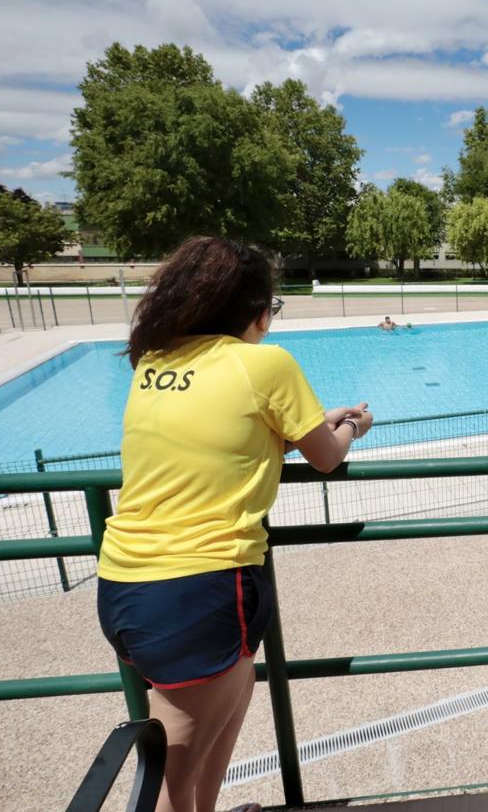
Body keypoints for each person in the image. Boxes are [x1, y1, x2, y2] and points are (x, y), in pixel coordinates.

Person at [96, 237, 373, 812]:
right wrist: (352, 426)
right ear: (256, 310)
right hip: (201, 588)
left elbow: (223, 430)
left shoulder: (156, 361)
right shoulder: (265, 363)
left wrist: (307, 422)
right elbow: (327, 457)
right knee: (174, 775)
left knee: (236, 690)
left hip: (124, 584)